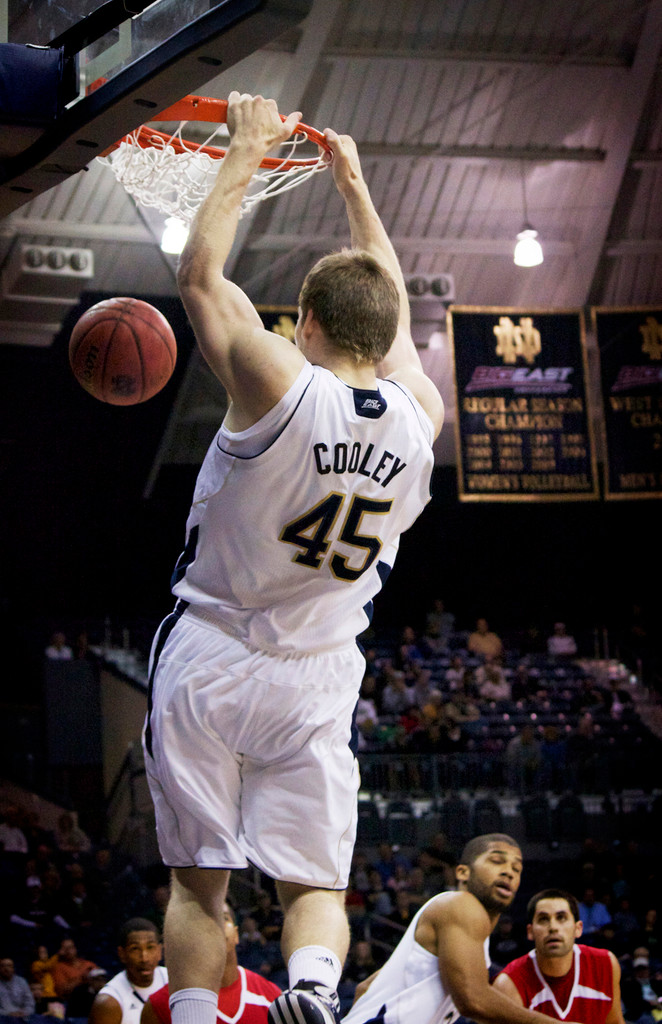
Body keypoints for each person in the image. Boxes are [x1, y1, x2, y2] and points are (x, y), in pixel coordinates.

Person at [143, 91, 444, 1024]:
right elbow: (388, 316)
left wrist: (246, 151)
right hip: (320, 672)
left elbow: (200, 276)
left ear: (304, 319)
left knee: (199, 887)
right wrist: (354, 185)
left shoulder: (279, 377)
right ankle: (312, 991)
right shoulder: (421, 422)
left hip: (216, 652)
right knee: (315, 881)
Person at [341, 834, 582, 1024]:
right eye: (497, 861)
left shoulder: (468, 933)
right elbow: (473, 1000)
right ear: (463, 872)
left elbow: (365, 988)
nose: (509, 871)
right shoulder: (460, 904)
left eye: (517, 868)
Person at [493, 888, 625, 1024]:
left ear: (578, 928)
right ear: (530, 932)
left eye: (561, 918)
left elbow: (615, 1021)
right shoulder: (509, 984)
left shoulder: (605, 964)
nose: (553, 927)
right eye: (543, 919)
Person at [141, 904, 281, 1024]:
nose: (216, 925)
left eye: (224, 918)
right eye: (206, 919)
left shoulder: (271, 996)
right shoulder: (159, 1005)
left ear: (236, 934)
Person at [89, 918, 167, 1024]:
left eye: (150, 947)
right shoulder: (108, 1002)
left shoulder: (173, 980)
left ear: (159, 951)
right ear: (122, 954)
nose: (144, 958)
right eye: (135, 949)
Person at [50, 936, 98, 1002]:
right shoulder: (58, 968)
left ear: (75, 948)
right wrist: (81, 979)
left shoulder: (88, 964)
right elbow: (61, 991)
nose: (68, 951)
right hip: (74, 1002)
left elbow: (101, 979)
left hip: (95, 999)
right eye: (65, 948)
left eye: (70, 947)